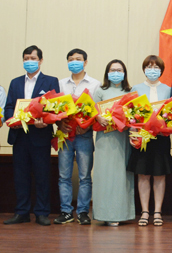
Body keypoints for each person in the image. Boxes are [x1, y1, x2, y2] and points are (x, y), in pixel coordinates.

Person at [3, 45, 59, 226]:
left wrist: (46, 121)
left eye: (33, 58)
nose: (29, 62)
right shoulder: (15, 82)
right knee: (21, 175)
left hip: (40, 134)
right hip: (19, 135)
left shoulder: (51, 81)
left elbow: (54, 107)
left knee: (42, 175)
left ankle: (42, 213)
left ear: (41, 61)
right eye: (26, 58)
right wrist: (14, 119)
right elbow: (10, 106)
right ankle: (22, 212)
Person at [54, 49, 100, 226]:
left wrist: (86, 125)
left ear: (85, 62)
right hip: (64, 135)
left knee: (85, 176)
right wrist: (59, 124)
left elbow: (97, 110)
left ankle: (82, 212)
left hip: (84, 136)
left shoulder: (95, 84)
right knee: (63, 176)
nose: (74, 62)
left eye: (78, 59)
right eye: (71, 59)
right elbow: (54, 109)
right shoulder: (60, 84)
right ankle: (66, 211)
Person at [127, 56, 172, 227]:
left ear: (161, 69)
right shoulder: (135, 88)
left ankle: (158, 212)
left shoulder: (168, 89)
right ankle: (145, 211)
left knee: (160, 175)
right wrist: (133, 135)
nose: (152, 70)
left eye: (156, 67)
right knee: (143, 174)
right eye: (149, 66)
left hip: (160, 138)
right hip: (141, 137)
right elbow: (130, 114)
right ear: (144, 69)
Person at [92, 59, 135, 226]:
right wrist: (98, 117)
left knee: (121, 176)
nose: (116, 73)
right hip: (105, 138)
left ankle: (120, 214)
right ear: (107, 73)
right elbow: (92, 111)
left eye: (119, 70)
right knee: (104, 175)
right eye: (112, 70)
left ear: (124, 73)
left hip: (122, 138)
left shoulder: (130, 92)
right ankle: (104, 213)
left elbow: (135, 115)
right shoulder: (101, 91)